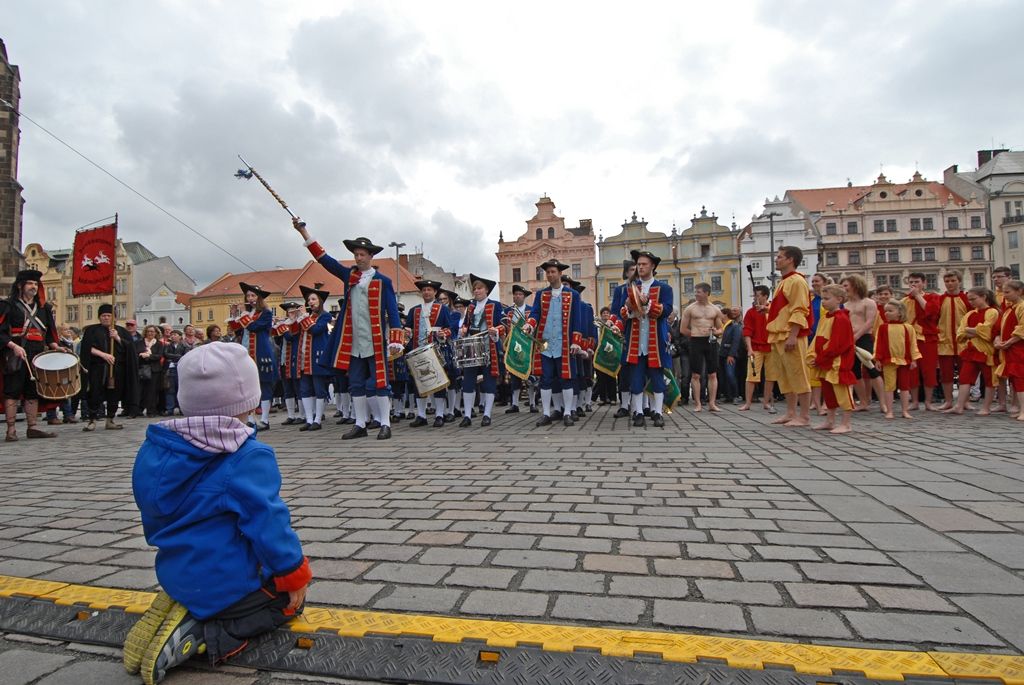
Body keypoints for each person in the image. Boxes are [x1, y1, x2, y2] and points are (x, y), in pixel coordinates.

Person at [124, 342, 310, 685]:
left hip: (175, 568)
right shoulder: (246, 456)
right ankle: (210, 631)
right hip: (227, 580)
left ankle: (184, 600)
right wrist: (293, 573)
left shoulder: (156, 446)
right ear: (250, 400)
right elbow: (268, 523)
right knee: (287, 605)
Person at [290, 218, 404, 440]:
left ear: (371, 256)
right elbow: (324, 259)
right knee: (356, 382)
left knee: (381, 382)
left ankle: (385, 423)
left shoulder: (383, 281)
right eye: (356, 254)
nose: (359, 258)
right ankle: (360, 424)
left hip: (375, 338)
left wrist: (395, 339)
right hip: (352, 340)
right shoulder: (348, 276)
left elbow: (392, 311)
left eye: (363, 254)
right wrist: (303, 232)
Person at [610, 250, 673, 427]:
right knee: (636, 380)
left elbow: (665, 311)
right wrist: (629, 308)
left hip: (655, 342)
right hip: (635, 342)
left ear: (653, 266)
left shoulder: (664, 288)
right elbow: (622, 313)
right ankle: (637, 412)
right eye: (639, 264)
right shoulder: (630, 288)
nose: (641, 267)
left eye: (644, 264)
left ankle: (658, 413)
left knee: (657, 379)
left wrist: (648, 303)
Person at [1, 269, 60, 441]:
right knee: (12, 390)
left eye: (36, 284)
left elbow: (50, 333)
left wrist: (56, 346)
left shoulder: (44, 308)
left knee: (33, 390)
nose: (34, 287)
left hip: (37, 353)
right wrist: (12, 346)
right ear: (20, 285)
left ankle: (32, 427)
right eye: (30, 283)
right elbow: (1, 332)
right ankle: (11, 430)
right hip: (16, 352)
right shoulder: (8, 306)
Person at [521, 262, 582, 427]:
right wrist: (529, 324)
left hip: (565, 343)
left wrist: (576, 342)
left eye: (553, 272)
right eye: (547, 272)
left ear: (560, 273)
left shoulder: (573, 295)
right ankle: (547, 413)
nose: (550, 275)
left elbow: (577, 320)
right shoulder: (541, 294)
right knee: (546, 379)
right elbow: (535, 314)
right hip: (545, 344)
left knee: (567, 378)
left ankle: (568, 412)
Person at [765, 246, 812, 427]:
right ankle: (791, 412)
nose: (777, 259)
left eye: (780, 257)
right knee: (785, 376)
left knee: (799, 374)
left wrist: (793, 335)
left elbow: (800, 309)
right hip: (779, 335)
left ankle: (805, 416)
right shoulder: (784, 282)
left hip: (790, 335)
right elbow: (783, 309)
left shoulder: (797, 281)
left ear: (790, 259)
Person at [80, 303, 140, 432]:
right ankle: (92, 419)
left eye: (108, 315)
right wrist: (103, 355)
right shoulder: (92, 330)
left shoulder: (121, 331)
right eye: (103, 316)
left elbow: (130, 348)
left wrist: (117, 338)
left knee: (114, 394)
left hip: (117, 369)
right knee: (95, 393)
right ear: (99, 317)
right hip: (98, 368)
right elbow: (86, 348)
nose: (106, 318)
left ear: (113, 317)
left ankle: (110, 419)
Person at [227, 283, 279, 430]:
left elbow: (253, 327)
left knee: (265, 384)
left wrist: (243, 314)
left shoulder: (266, 312)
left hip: (261, 352)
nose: (250, 298)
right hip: (246, 353)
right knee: (248, 387)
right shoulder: (248, 314)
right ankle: (250, 419)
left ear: (259, 297)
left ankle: (265, 419)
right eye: (248, 296)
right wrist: (234, 314)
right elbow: (237, 330)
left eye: (253, 296)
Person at [458, 274, 505, 427]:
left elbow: (503, 325)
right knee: (468, 381)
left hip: (489, 346)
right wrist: (464, 330)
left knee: (489, 381)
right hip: (472, 348)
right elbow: (466, 324)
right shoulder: (471, 307)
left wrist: (495, 330)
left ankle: (487, 414)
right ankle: (467, 415)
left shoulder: (495, 305)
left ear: (486, 290)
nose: (476, 291)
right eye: (475, 289)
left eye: (479, 288)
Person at [808, 285, 856, 434]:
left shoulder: (841, 319)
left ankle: (846, 423)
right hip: (825, 361)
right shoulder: (825, 318)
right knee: (828, 392)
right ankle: (830, 420)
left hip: (837, 362)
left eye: (827, 299)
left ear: (839, 299)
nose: (823, 302)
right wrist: (815, 355)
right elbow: (818, 339)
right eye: (822, 298)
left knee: (842, 391)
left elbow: (837, 344)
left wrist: (821, 357)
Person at [944, 287, 999, 416]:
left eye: (973, 299)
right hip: (971, 351)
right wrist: (974, 331)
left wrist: (972, 331)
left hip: (986, 352)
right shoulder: (969, 314)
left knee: (989, 380)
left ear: (984, 297)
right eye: (969, 300)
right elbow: (961, 332)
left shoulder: (992, 312)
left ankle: (986, 407)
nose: (971, 302)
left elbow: (988, 330)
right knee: (964, 378)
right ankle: (959, 406)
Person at [405, 279, 453, 427]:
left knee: (438, 382)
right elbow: (407, 329)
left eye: (429, 290)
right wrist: (405, 335)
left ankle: (439, 415)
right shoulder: (414, 310)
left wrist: (443, 334)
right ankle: (421, 415)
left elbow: (450, 328)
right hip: (417, 350)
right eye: (424, 290)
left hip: (436, 349)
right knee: (419, 383)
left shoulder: (442, 309)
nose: (426, 292)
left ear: (435, 293)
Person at [679, 283, 726, 412]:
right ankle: (698, 403)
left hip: (710, 341)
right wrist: (694, 335)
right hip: (696, 341)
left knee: (712, 374)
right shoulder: (690, 309)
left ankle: (712, 403)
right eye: (696, 292)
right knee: (695, 375)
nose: (696, 294)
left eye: (698, 292)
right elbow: (683, 329)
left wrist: (715, 332)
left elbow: (721, 328)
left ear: (706, 293)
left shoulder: (715, 309)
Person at [294, 284, 333, 431]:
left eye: (313, 299)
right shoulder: (307, 317)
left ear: (320, 301)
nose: (310, 302)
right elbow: (293, 334)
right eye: (309, 300)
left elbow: (316, 330)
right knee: (304, 389)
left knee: (319, 389)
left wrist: (303, 316)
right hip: (304, 358)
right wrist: (293, 318)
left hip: (316, 358)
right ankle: (309, 419)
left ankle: (318, 419)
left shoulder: (325, 316)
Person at [873, 300, 921, 420]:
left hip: (904, 361)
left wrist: (914, 359)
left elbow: (912, 345)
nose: (887, 313)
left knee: (905, 387)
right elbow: (878, 344)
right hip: (889, 361)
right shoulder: (883, 328)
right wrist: (877, 359)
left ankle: (905, 411)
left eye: (890, 311)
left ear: (900, 312)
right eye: (886, 311)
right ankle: (889, 411)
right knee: (889, 386)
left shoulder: (908, 328)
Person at [902, 272, 941, 411]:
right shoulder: (904, 301)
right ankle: (915, 401)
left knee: (929, 370)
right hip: (910, 338)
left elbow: (931, 312)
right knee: (912, 370)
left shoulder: (932, 297)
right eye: (911, 282)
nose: (913, 284)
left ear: (923, 283)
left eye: (917, 282)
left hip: (927, 338)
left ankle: (928, 402)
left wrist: (918, 296)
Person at [839, 274, 877, 411]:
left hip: (864, 337)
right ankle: (863, 402)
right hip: (850, 338)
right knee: (854, 370)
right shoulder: (844, 305)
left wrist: (856, 336)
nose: (844, 288)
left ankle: (884, 403)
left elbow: (869, 322)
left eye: (846, 286)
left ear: (855, 285)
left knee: (871, 369)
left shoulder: (868, 302)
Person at [935, 272, 969, 411]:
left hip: (963, 341)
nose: (950, 283)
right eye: (947, 281)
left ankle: (964, 401)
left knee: (965, 372)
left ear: (959, 281)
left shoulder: (966, 299)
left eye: (953, 280)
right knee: (946, 373)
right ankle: (948, 400)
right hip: (944, 341)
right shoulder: (940, 299)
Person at [738, 286, 775, 413]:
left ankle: (766, 402)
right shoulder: (750, 312)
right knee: (751, 375)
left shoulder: (772, 311)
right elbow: (747, 331)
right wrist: (749, 348)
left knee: (770, 376)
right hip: (756, 347)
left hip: (771, 347)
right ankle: (747, 403)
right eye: (755, 295)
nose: (756, 297)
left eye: (758, 295)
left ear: (765, 296)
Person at [504, 284, 537, 414]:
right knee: (514, 376)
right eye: (516, 294)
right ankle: (515, 404)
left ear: (524, 297)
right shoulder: (508, 311)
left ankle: (533, 403)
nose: (517, 296)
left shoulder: (531, 310)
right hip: (513, 346)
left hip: (528, 346)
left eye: (520, 294)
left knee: (530, 376)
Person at [994, 279, 1024, 421]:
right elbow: (1001, 328)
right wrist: (999, 341)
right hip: (1010, 349)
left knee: (1020, 378)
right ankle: (1020, 408)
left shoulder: (1021, 307)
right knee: (1014, 379)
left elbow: (1022, 328)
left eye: (1008, 292)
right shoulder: (1010, 309)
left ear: (1019, 291)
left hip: (1018, 348)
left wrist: (1009, 342)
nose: (1004, 295)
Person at [611, 260, 637, 418]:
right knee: (625, 370)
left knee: (642, 370)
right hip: (625, 333)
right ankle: (624, 405)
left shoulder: (644, 287)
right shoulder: (621, 290)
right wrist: (614, 324)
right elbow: (614, 310)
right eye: (632, 269)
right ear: (626, 272)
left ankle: (642, 406)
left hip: (641, 332)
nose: (635, 272)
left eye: (637, 269)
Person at [275, 302, 303, 425]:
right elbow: (277, 339)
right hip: (284, 359)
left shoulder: (300, 323)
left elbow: (291, 337)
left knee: (298, 387)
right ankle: (291, 415)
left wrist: (283, 328)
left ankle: (302, 415)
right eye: (289, 311)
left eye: (293, 310)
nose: (290, 313)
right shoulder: (285, 323)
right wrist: (277, 326)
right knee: (287, 389)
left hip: (296, 358)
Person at [136, 325, 165, 418]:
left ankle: (151, 410)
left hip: (154, 370)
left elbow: (159, 355)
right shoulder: (139, 342)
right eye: (148, 331)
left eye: (152, 331)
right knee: (140, 390)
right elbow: (135, 353)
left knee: (152, 391)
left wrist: (148, 356)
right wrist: (141, 355)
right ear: (145, 332)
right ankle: (138, 410)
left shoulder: (159, 344)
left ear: (156, 333)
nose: (150, 333)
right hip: (142, 368)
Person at [162, 331, 188, 417]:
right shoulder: (167, 346)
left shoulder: (184, 345)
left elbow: (185, 356)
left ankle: (182, 408)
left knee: (181, 389)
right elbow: (166, 354)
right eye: (172, 335)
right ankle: (170, 409)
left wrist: (173, 357)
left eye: (175, 335)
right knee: (170, 390)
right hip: (170, 369)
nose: (173, 336)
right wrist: (177, 356)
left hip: (180, 369)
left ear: (180, 336)